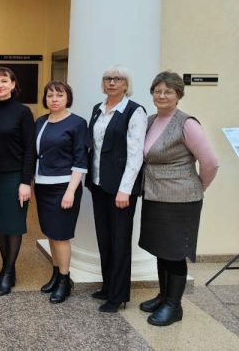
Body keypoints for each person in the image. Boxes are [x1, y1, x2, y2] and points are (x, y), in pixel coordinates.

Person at [138, 71, 218, 326]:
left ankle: (174, 306)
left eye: (168, 91)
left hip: (181, 200)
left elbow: (210, 162)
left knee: (174, 252)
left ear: (178, 95)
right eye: (157, 91)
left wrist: (198, 188)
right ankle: (164, 296)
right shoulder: (151, 120)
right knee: (161, 250)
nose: (161, 95)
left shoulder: (187, 124)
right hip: (155, 195)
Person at [86, 65, 147, 313]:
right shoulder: (97, 109)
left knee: (120, 242)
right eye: (108, 78)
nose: (112, 82)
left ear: (126, 84)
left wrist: (125, 190)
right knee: (104, 239)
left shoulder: (134, 111)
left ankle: (118, 295)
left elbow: (136, 154)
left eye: (118, 79)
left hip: (121, 190)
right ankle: (108, 286)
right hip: (99, 185)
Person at [34, 81, 88, 303]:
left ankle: (65, 281)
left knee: (61, 235)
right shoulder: (40, 122)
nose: (54, 99)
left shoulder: (77, 123)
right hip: (42, 186)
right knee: (50, 233)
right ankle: (56, 275)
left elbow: (81, 159)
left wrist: (70, 191)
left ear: (68, 98)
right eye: (50, 95)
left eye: (59, 95)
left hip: (64, 187)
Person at [0, 67, 34, 296]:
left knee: (13, 225)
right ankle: (6, 269)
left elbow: (30, 149)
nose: (0, 85)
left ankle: (9, 271)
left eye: (4, 81)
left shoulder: (23, 112)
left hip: (14, 177)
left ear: (13, 85)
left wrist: (25, 181)